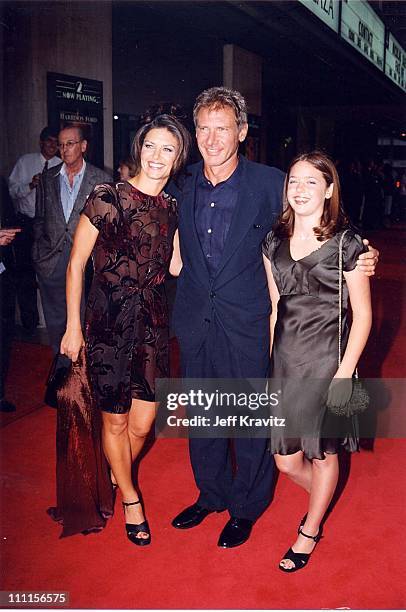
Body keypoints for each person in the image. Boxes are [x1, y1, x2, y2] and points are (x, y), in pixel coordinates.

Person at [169, 86, 378, 549]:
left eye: (222, 128)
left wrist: (364, 257)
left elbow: (318, 221)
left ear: (241, 132)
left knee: (249, 423)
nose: (211, 137)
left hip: (250, 325)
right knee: (204, 418)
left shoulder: (271, 183)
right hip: (196, 321)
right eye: (203, 128)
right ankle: (211, 494)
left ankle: (246, 507)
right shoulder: (181, 185)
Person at [59, 114, 190, 544]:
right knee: (114, 421)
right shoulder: (107, 196)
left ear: (177, 159)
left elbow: (174, 264)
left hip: (152, 324)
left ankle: (114, 473)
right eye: (151, 146)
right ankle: (130, 497)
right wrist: (72, 327)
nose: (157, 156)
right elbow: (77, 263)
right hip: (108, 322)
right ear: (138, 148)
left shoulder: (171, 207)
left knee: (143, 423)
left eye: (167, 149)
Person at [262, 151, 372, 572]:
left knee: (323, 452)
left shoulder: (348, 243)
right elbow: (276, 309)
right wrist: (273, 364)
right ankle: (322, 500)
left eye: (311, 181)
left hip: (330, 361)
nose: (300, 189)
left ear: (329, 190)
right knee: (286, 459)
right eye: (294, 180)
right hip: (287, 362)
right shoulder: (273, 242)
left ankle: (309, 529)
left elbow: (362, 315)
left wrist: (345, 375)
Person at [33, 124, 110, 359]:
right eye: (61, 144)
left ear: (83, 146)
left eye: (70, 143)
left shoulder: (102, 179)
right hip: (52, 260)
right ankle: (62, 369)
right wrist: (39, 252)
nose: (64, 149)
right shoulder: (47, 178)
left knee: (87, 319)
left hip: (87, 262)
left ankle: (84, 373)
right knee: (56, 321)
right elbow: (40, 219)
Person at [8, 126, 60, 332]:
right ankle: (30, 323)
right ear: (41, 142)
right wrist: (30, 185)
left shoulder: (60, 165)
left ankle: (52, 320)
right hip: (26, 223)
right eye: (49, 141)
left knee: (50, 272)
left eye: (56, 143)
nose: (52, 146)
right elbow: (12, 191)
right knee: (25, 273)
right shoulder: (25, 162)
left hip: (49, 225)